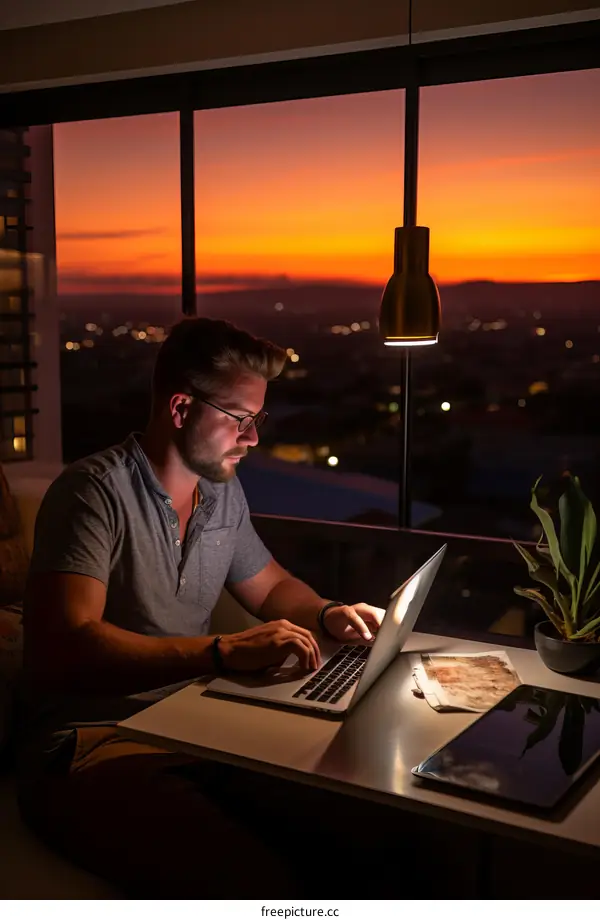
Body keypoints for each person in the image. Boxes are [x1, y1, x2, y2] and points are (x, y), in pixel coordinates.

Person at [17, 317, 394, 897]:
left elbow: (269, 586)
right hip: (86, 745)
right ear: (179, 410)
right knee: (257, 882)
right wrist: (221, 652)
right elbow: (68, 644)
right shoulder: (92, 493)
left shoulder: (220, 491)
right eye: (241, 420)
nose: (254, 439)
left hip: (188, 728)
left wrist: (328, 613)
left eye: (257, 420)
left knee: (363, 835)